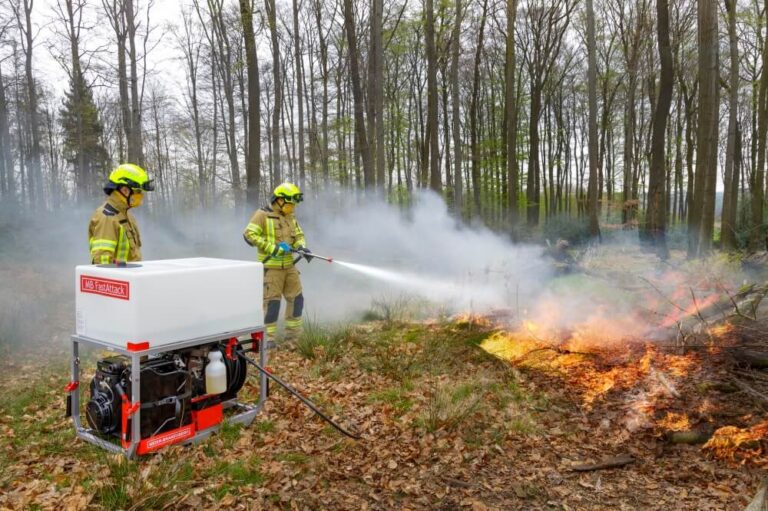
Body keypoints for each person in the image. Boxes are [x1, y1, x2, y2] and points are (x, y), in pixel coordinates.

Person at [243, 182, 312, 341]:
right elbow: (249, 235)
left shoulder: (290, 216)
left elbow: (299, 235)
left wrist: (301, 247)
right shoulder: (262, 215)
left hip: (289, 267)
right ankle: (268, 339)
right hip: (271, 268)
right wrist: (271, 247)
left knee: (297, 299)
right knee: (272, 304)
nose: (292, 207)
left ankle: (293, 336)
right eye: (289, 204)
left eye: (294, 204)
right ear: (279, 200)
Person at [88, 163, 154, 265]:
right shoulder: (107, 217)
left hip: (132, 278)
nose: (141, 196)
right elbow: (103, 262)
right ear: (125, 190)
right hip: (120, 279)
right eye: (138, 191)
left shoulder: (127, 215)